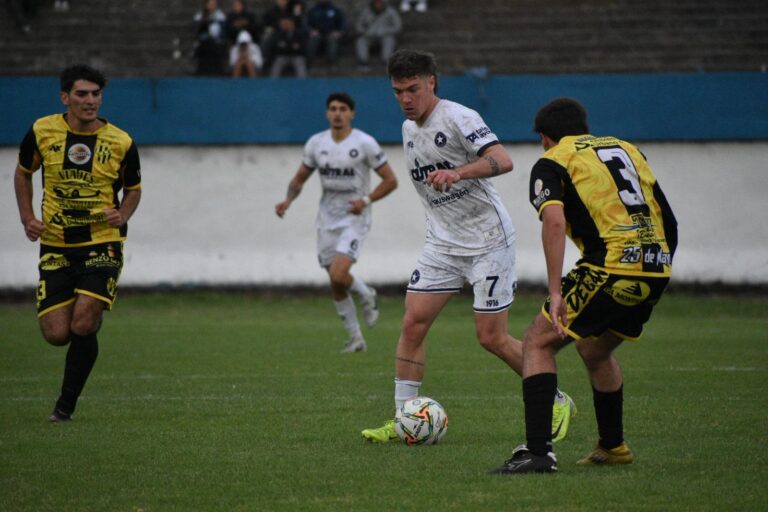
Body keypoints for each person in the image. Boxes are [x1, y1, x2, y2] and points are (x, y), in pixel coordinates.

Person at [361, 50, 576, 444]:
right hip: (443, 242)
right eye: (398, 92)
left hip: (488, 241)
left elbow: (503, 160)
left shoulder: (459, 117)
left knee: (490, 337)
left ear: (431, 83)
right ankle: (404, 419)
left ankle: (556, 398)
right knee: (412, 324)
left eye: (413, 89)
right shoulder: (409, 130)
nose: (406, 99)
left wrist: (457, 172)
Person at [490, 97, 678, 474]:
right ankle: (613, 447)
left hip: (610, 263)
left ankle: (539, 453)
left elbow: (554, 223)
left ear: (545, 137)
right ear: (584, 126)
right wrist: (659, 264)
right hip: (655, 264)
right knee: (594, 349)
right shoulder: (628, 150)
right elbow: (667, 217)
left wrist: (556, 291)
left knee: (537, 341)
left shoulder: (553, 161)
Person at [13, 64, 142, 422]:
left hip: (102, 242)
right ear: (65, 97)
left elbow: (133, 190)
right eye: (82, 94)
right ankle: (90, 318)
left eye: (96, 94)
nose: (90, 101)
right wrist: (27, 218)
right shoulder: (42, 130)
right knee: (56, 334)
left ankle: (64, 408)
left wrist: (124, 214)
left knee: (82, 324)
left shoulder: (121, 141)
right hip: (55, 243)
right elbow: (23, 172)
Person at [275, 92, 398, 352]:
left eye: (343, 108)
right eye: (333, 108)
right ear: (327, 113)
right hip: (327, 219)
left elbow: (390, 181)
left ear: (352, 113)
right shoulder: (316, 143)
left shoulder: (365, 143)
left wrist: (364, 201)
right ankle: (356, 339)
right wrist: (287, 201)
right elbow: (299, 179)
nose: (338, 113)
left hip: (355, 218)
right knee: (335, 281)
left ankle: (367, 294)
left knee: (339, 274)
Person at [354, 0, 402, 71]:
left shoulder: (391, 12)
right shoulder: (366, 11)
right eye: (376, 3)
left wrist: (386, 30)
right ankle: (363, 62)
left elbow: (398, 26)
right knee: (360, 41)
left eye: (380, 3)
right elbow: (358, 26)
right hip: (369, 36)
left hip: (385, 35)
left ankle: (386, 62)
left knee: (389, 40)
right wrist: (365, 31)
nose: (378, 5)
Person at [260, 0, 306, 67]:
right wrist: (276, 26)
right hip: (276, 33)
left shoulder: (292, 10)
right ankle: (266, 59)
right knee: (267, 36)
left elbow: (298, 23)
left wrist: (289, 24)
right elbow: (265, 25)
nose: (282, 1)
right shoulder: (271, 11)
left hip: (290, 34)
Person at [304, 0, 347, 69]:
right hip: (317, 33)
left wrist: (339, 32)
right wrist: (310, 31)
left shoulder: (335, 9)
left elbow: (343, 23)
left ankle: (332, 63)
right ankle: (308, 62)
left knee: (332, 40)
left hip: (330, 33)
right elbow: (305, 24)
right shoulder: (312, 10)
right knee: (312, 41)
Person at [192, 0, 229, 76]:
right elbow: (196, 31)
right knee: (203, 46)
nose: (212, 6)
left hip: (216, 41)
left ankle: (218, 72)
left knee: (215, 47)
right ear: (206, 5)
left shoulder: (220, 16)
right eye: (210, 4)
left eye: (214, 4)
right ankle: (200, 71)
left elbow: (223, 32)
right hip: (203, 42)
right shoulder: (199, 16)